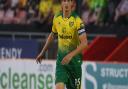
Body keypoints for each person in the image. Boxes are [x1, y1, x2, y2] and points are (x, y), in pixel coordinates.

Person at [36, 0, 88, 89]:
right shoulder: (57, 18)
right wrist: (42, 52)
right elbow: (52, 35)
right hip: (61, 63)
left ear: (72, 4)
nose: (66, 3)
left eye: (69, 1)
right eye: (64, 1)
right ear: (61, 3)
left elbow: (84, 43)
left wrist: (70, 55)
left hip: (75, 64)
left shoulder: (77, 21)